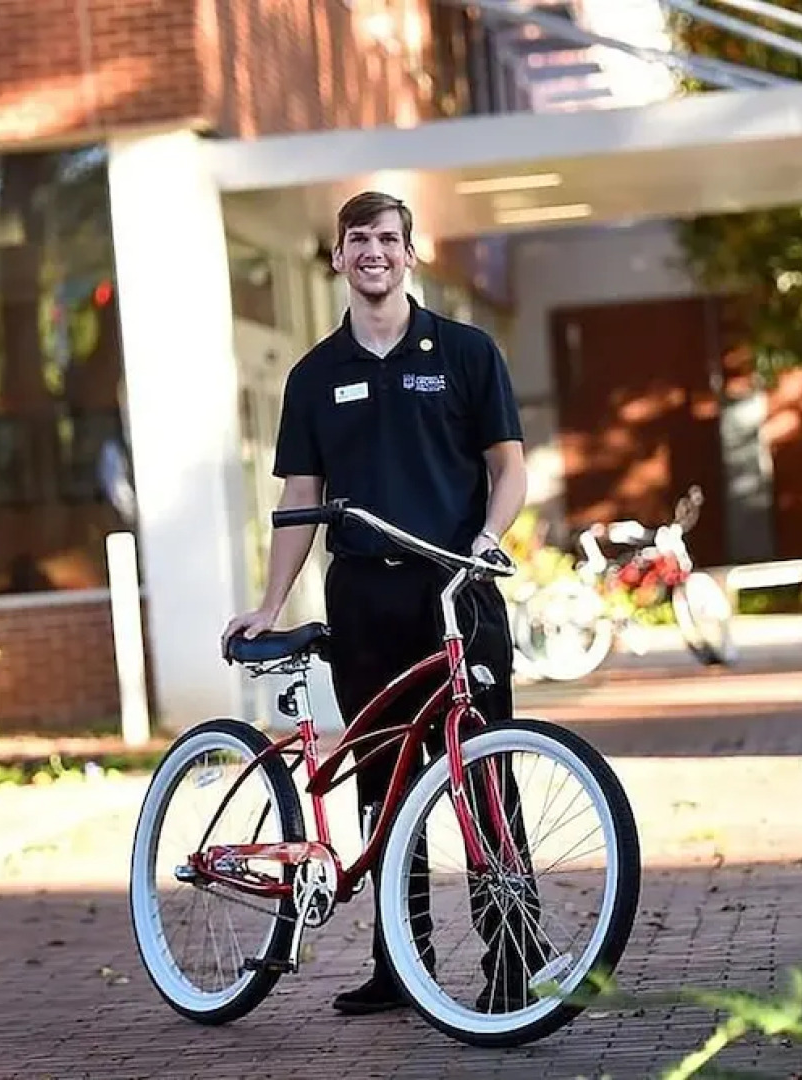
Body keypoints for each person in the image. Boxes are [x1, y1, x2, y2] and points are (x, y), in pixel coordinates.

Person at [221, 190, 538, 1016]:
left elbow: (508, 467)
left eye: (388, 239)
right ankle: (401, 961)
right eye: (358, 239)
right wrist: (269, 602)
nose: (373, 251)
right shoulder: (313, 375)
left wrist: (487, 540)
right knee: (381, 787)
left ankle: (515, 955)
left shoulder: (466, 352)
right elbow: (299, 497)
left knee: (484, 774)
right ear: (336, 256)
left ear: (409, 253)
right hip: (364, 598)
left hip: (457, 591)